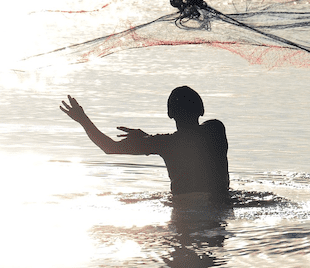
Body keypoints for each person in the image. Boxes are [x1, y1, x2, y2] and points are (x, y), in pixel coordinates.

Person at [60, 86, 230, 204]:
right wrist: (148, 137)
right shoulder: (216, 129)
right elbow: (190, 140)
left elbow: (109, 148)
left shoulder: (165, 144)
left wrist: (83, 119)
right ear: (201, 110)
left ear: (170, 114)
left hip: (185, 207)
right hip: (222, 202)